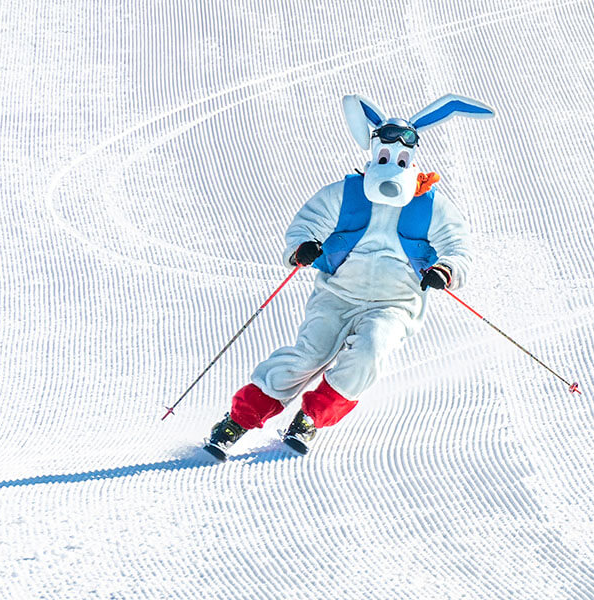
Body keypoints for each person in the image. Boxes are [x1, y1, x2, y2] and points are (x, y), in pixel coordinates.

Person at [204, 93, 494, 457]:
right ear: (373, 153)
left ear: (412, 158)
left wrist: (446, 270)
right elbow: (305, 224)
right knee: (309, 355)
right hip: (338, 294)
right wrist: (304, 246)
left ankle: (311, 418)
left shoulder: (430, 203)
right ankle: (238, 419)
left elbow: (458, 246)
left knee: (370, 350)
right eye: (384, 156)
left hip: (395, 303)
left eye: (400, 158)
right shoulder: (346, 193)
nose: (392, 164)